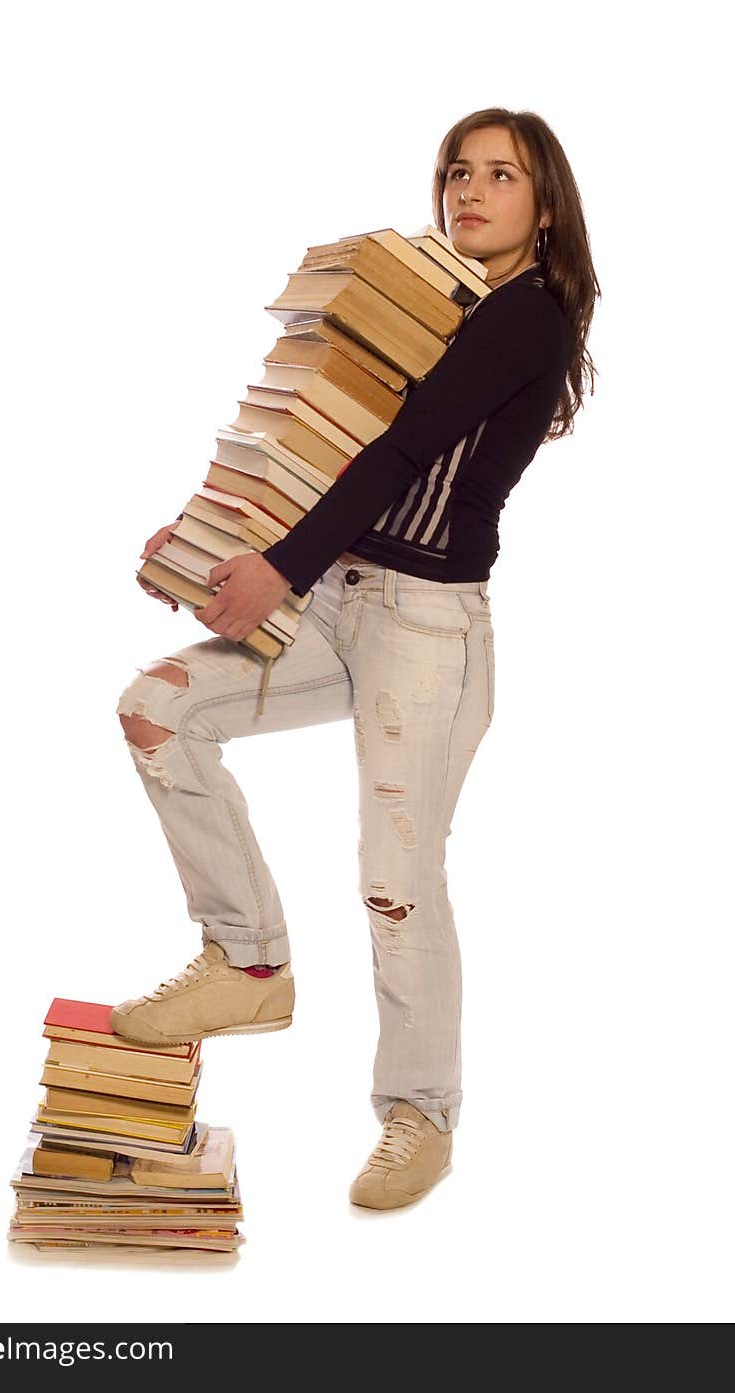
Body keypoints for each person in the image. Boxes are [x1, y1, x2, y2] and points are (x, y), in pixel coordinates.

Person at [111, 108, 599, 1210]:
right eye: (456, 173)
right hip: (338, 602)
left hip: (428, 632)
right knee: (158, 709)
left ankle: (419, 1115)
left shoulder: (530, 318)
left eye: (499, 176)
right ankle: (247, 963)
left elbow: (403, 448)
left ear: (546, 204)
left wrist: (273, 569)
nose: (469, 192)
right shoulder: (439, 300)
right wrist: (205, 550)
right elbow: (315, 443)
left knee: (395, 879)